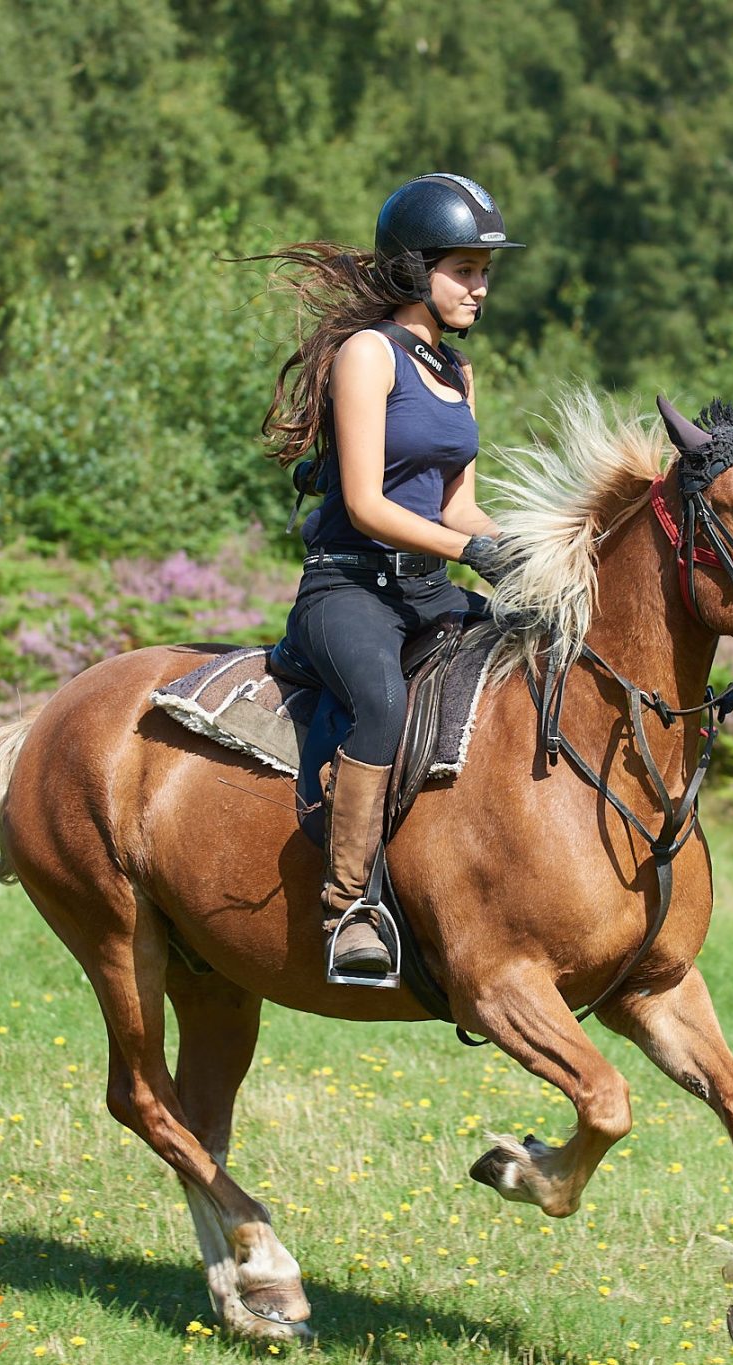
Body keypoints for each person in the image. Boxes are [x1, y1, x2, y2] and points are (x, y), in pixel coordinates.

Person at [260, 174, 524, 980]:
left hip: (426, 594)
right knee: (381, 701)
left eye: (484, 271)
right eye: (464, 269)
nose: (480, 286)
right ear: (415, 270)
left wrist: (521, 549)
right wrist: (464, 550)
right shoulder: (367, 355)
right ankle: (350, 909)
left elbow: (462, 507)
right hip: (347, 588)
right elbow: (369, 505)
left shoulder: (460, 372)